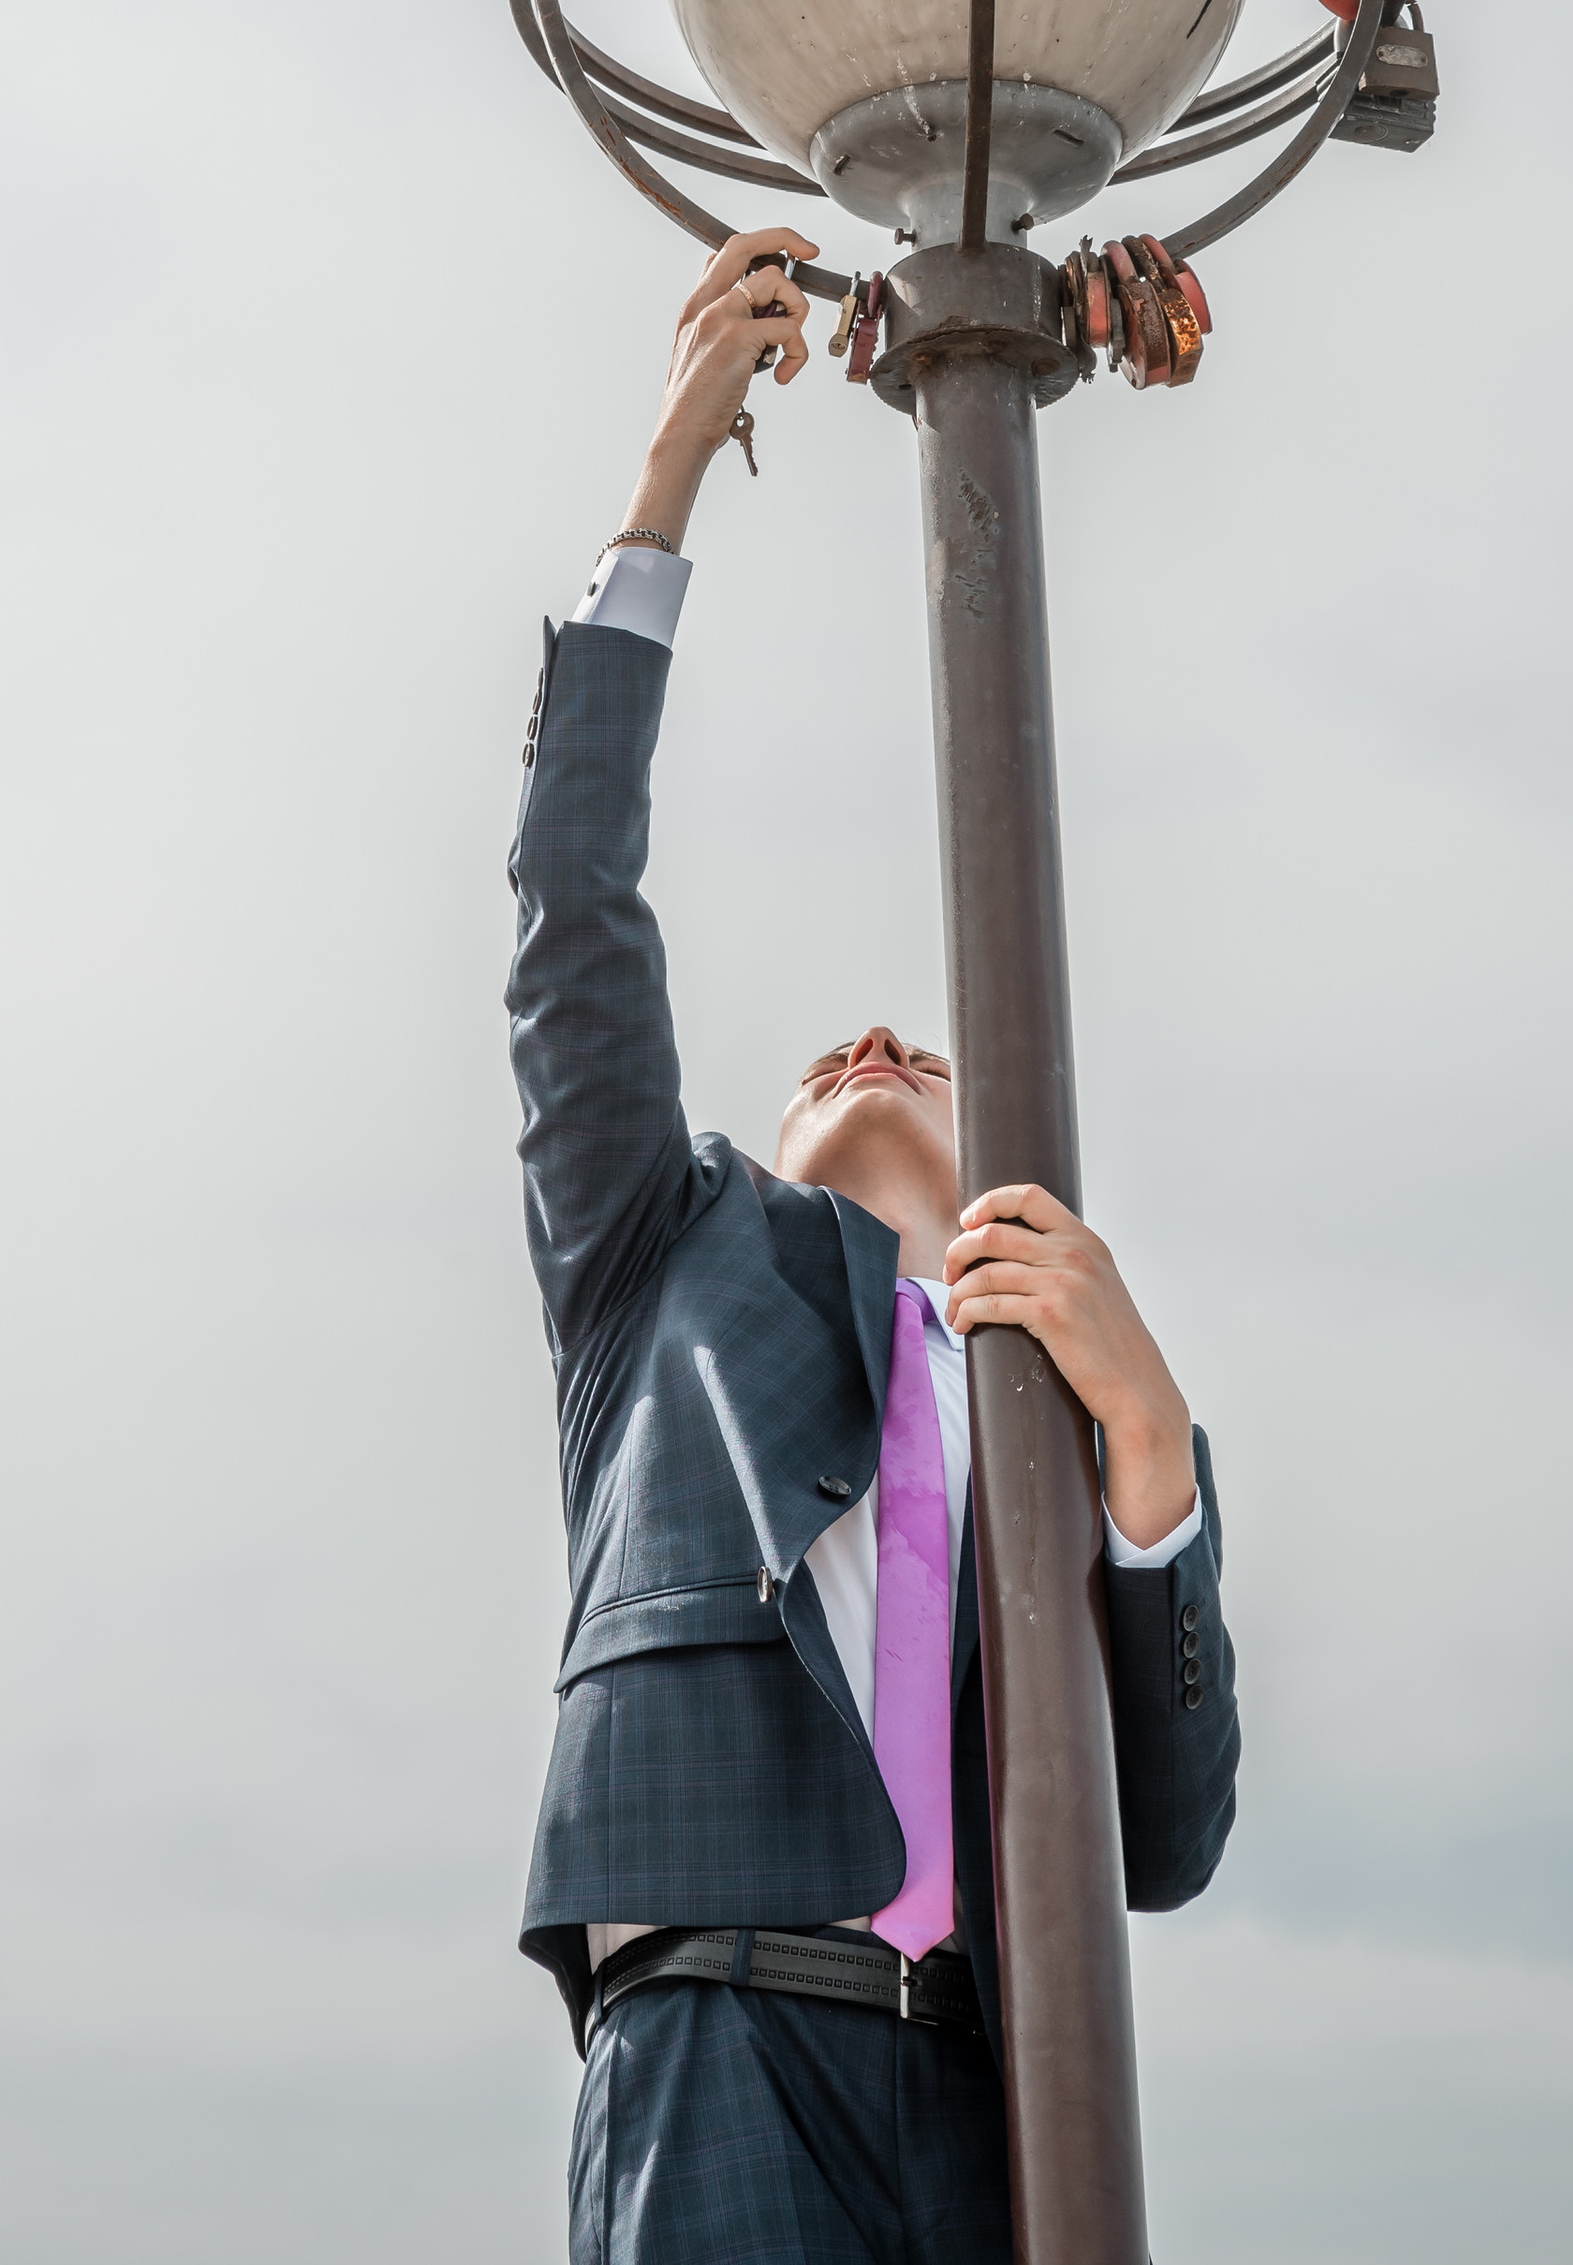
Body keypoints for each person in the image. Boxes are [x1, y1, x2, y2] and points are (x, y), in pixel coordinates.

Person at [507, 229, 1240, 2265]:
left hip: (992, 2097)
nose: (866, 1043)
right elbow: (572, 908)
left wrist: (1152, 1453)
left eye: (915, 1041)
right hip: (717, 2028)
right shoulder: (664, 1253)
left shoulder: (1053, 1381)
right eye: (830, 1054)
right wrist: (663, 477)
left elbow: (1160, 1841)